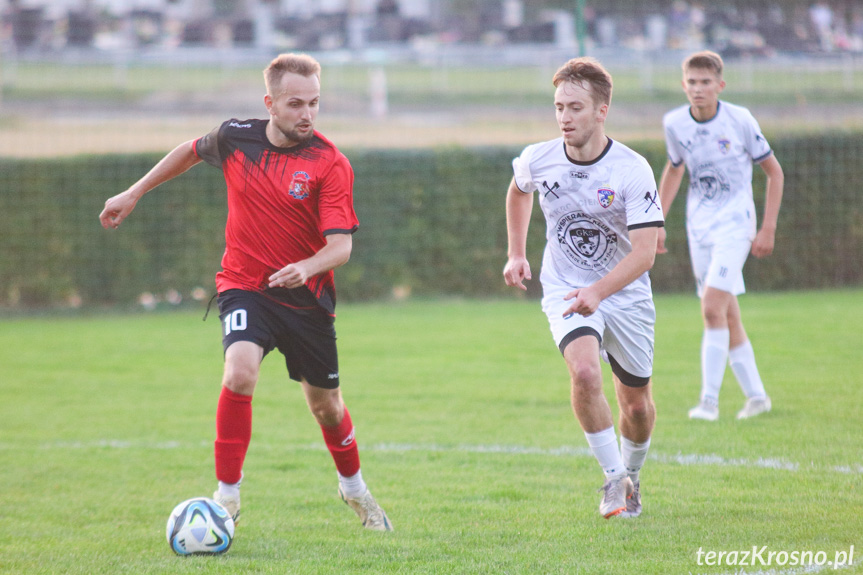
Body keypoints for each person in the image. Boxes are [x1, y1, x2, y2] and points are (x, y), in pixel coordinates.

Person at [99, 53, 392, 531]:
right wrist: (134, 192)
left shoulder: (329, 163)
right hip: (245, 287)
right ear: (270, 103)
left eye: (315, 103)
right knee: (239, 374)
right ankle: (227, 498)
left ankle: (355, 490)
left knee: (327, 407)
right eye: (295, 103)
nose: (307, 114)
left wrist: (306, 266)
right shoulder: (236, 137)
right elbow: (190, 151)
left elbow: (341, 247)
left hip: (306, 301)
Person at [503, 57, 663, 519]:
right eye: (558, 107)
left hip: (626, 293)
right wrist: (517, 252)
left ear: (601, 111)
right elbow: (518, 189)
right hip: (565, 287)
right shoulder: (539, 156)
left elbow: (645, 254)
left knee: (636, 405)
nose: (564, 118)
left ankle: (633, 476)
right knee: (587, 374)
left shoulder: (632, 169)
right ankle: (614, 479)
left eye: (575, 107)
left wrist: (600, 291)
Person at [657, 50, 784, 421]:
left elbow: (774, 173)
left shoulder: (739, 119)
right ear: (684, 85)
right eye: (692, 83)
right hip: (699, 227)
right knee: (727, 314)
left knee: (711, 307)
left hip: (735, 224)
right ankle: (757, 397)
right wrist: (657, 222)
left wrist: (767, 228)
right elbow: (674, 169)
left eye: (706, 82)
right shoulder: (674, 124)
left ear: (720, 85)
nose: (698, 89)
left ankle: (708, 403)